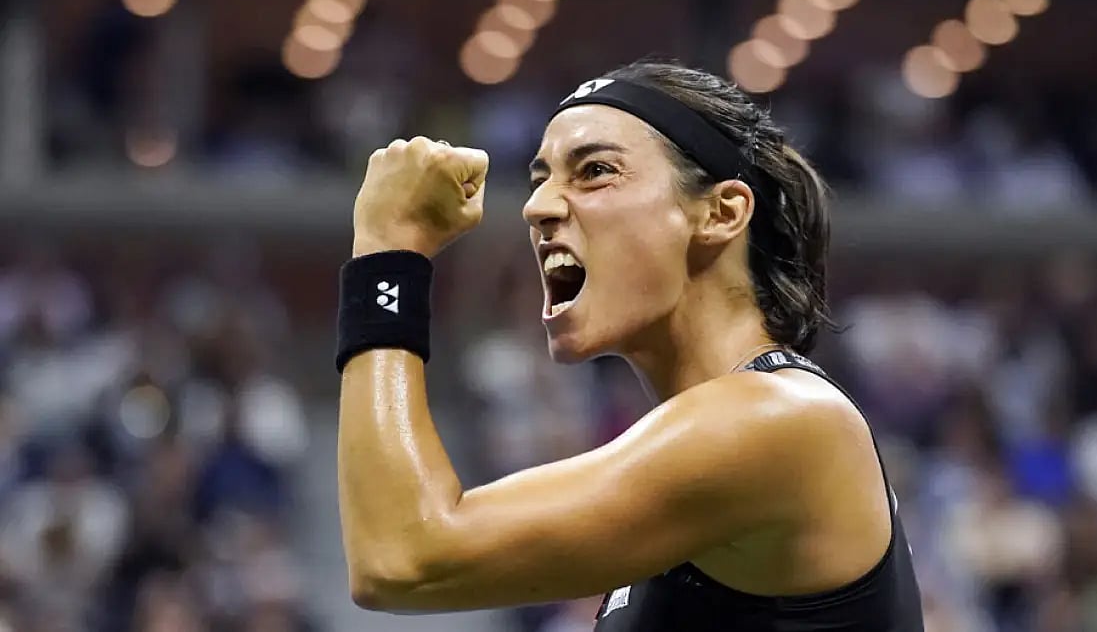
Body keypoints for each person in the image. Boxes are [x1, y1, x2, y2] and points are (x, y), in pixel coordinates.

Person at [335, 61, 924, 631]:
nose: (536, 207)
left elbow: (403, 558)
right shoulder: (722, 439)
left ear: (721, 213)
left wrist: (388, 257)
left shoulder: (783, 419)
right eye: (539, 180)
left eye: (594, 171)